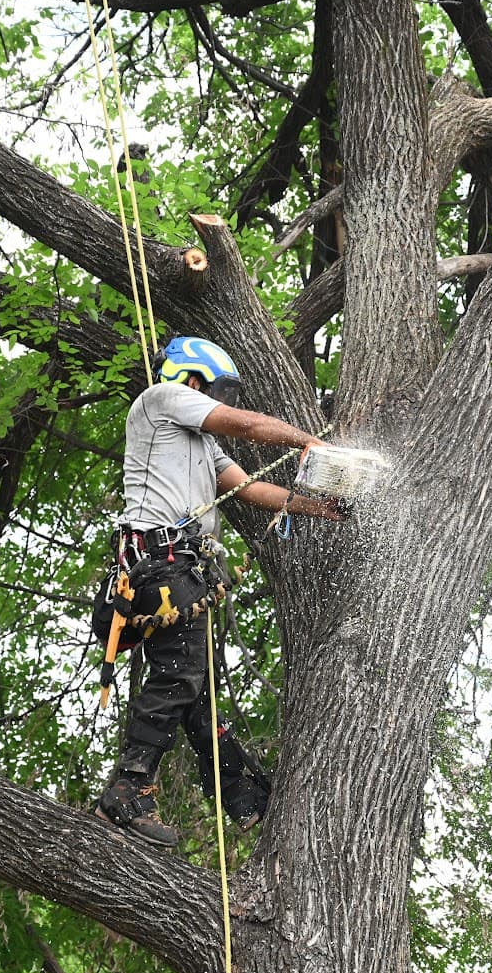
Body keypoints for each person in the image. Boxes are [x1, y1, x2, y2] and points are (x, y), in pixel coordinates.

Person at [92, 335, 343, 846]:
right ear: (192, 379)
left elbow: (248, 488)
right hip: (160, 565)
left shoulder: (203, 445)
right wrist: (307, 441)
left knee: (194, 691)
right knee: (180, 676)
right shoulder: (161, 399)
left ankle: (242, 795)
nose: (219, 402)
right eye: (216, 391)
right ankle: (128, 787)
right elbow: (245, 423)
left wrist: (318, 508)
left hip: (181, 570)